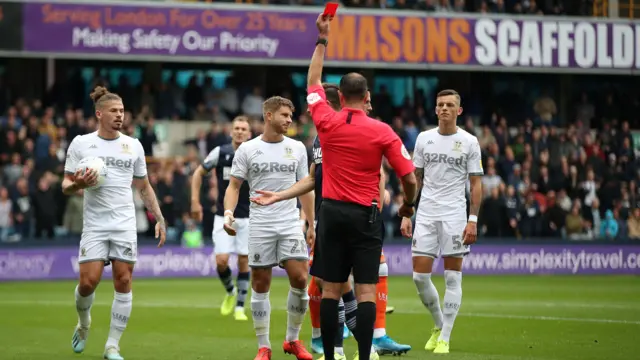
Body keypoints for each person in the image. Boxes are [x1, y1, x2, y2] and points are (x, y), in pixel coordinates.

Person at [251, 85, 411, 360]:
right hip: (343, 215)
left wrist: (380, 189)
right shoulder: (324, 137)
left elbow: (377, 169)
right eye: (368, 101)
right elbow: (316, 177)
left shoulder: (335, 132)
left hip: (342, 214)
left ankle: (362, 342)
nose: (370, 106)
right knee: (337, 284)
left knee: (339, 283)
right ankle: (342, 345)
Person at [304, 14, 418, 360]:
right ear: (366, 96)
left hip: (332, 213)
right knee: (366, 290)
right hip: (365, 216)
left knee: (331, 290)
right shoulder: (383, 131)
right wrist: (408, 206)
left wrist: (322, 40)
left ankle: (329, 354)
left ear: (338, 94)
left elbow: (312, 82)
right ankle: (365, 356)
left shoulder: (325, 119)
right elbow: (409, 178)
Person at [62, 86, 166, 360]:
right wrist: (78, 185)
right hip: (95, 225)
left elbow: (144, 186)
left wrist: (159, 217)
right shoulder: (81, 143)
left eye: (122, 111)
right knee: (88, 283)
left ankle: (112, 346)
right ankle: (84, 324)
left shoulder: (133, 145)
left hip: (124, 224)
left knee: (123, 280)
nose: (120, 115)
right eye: (114, 111)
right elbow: (65, 185)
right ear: (99, 114)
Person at [223, 96, 315, 360]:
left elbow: (306, 186)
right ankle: (264, 346)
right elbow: (234, 186)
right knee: (261, 283)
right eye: (285, 115)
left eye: (290, 115)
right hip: (261, 224)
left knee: (300, 278)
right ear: (269, 116)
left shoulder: (297, 147)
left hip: (289, 223)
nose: (289, 120)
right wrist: (229, 213)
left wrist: (310, 223)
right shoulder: (248, 149)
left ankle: (292, 340)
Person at [400, 89, 483, 355]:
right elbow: (417, 178)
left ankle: (445, 336)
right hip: (425, 214)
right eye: (440, 105)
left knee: (452, 277)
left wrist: (472, 220)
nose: (444, 108)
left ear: (459, 111)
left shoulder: (469, 141)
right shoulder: (424, 139)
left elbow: (475, 184)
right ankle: (438, 324)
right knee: (419, 277)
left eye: (449, 105)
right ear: (435, 110)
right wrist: (408, 211)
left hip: (455, 215)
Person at [191, 116, 252, 321]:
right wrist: (195, 201)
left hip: (249, 216)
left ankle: (240, 308)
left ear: (249, 133)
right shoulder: (221, 152)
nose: (240, 131)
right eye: (237, 128)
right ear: (231, 131)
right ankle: (230, 292)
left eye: (244, 128)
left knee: (244, 261)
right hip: (223, 214)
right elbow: (199, 173)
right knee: (221, 261)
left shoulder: (255, 154)